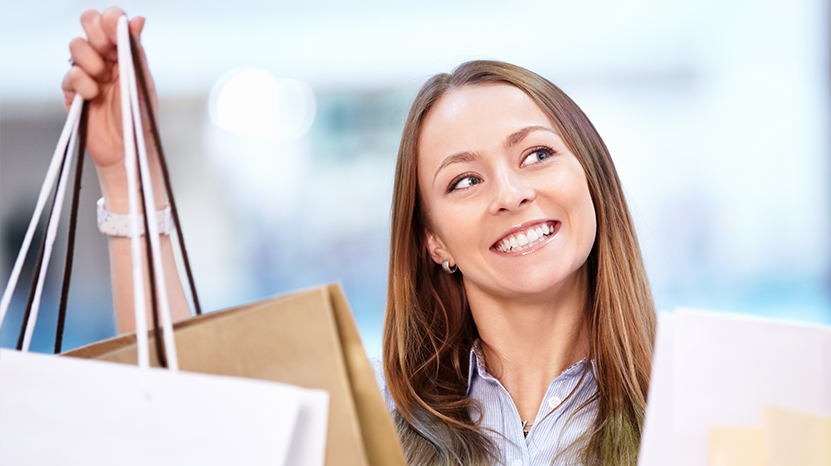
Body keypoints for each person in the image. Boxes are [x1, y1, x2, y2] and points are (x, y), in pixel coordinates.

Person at [64, 7, 657, 465]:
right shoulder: (368, 412)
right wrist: (125, 178)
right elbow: (181, 411)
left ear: (592, 181)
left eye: (536, 153)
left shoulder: (694, 405)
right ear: (435, 243)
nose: (510, 192)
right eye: (465, 180)